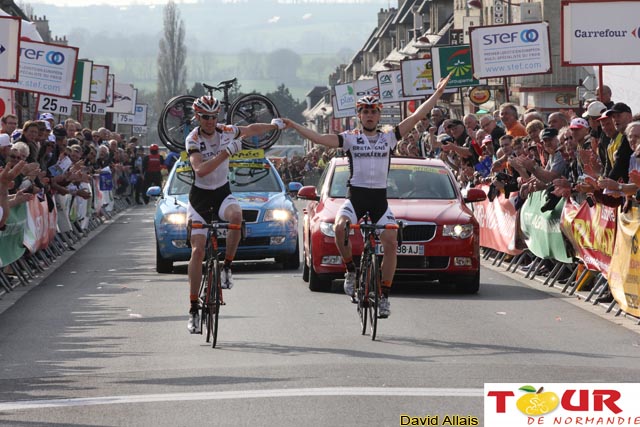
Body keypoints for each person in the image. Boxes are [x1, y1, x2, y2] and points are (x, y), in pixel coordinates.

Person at [282, 73, 452, 319]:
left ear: (378, 115)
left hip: (379, 200)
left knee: (391, 242)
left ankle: (383, 295)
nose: (370, 116)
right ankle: (351, 271)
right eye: (365, 112)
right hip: (355, 198)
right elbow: (319, 138)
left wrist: (436, 94)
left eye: (373, 112)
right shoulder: (350, 139)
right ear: (359, 116)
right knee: (340, 226)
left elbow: (416, 117)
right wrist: (294, 125)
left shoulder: (389, 137)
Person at [185, 95, 283, 334]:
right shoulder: (193, 138)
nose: (210, 121)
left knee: (237, 216)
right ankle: (193, 309)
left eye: (213, 116)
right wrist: (227, 152)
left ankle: (227, 266)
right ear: (197, 117)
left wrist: (273, 125)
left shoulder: (227, 130)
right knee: (198, 250)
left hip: (221, 194)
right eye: (205, 117)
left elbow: (250, 129)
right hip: (199, 198)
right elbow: (201, 169)